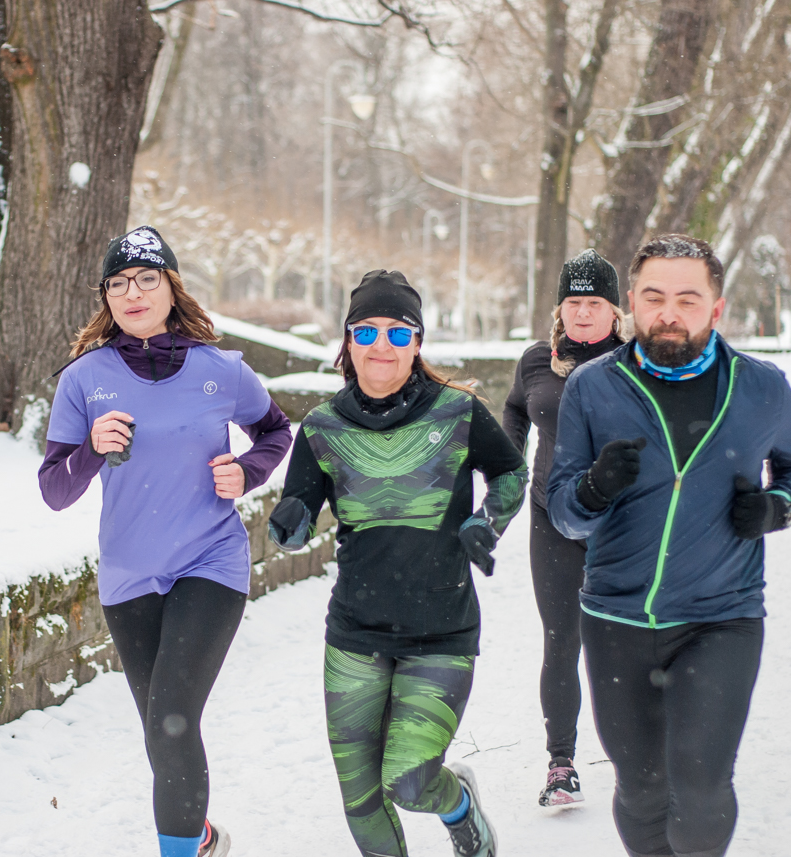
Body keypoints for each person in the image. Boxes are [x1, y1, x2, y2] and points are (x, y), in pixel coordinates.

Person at [38, 226, 292, 857]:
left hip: (211, 560)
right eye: (119, 283)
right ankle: (201, 836)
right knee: (160, 730)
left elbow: (276, 432)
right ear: (107, 297)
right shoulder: (83, 379)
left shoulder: (222, 370)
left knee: (174, 712)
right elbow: (54, 490)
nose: (133, 292)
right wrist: (92, 451)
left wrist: (248, 471)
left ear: (172, 289)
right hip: (130, 573)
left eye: (147, 279)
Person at [547, 234, 791, 857]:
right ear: (631, 302)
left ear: (717, 307)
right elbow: (565, 511)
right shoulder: (593, 388)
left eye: (688, 298)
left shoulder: (765, 388)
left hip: (723, 616)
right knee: (642, 787)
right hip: (614, 617)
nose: (669, 312)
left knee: (702, 786)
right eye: (654, 297)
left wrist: (774, 508)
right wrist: (596, 490)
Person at [269, 270, 527, 857]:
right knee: (361, 805)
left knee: (409, 782)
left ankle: (459, 803)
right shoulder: (322, 427)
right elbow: (300, 508)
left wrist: (487, 523)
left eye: (396, 331)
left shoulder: (458, 413)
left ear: (417, 342)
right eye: (366, 332)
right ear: (347, 343)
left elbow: (511, 472)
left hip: (441, 631)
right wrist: (290, 521)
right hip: (355, 632)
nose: (380, 345)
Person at [503, 249, 628, 807]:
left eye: (594, 303)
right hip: (551, 518)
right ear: (559, 308)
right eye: (573, 303)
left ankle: (643, 759)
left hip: (624, 526)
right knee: (562, 641)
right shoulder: (535, 361)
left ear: (614, 310)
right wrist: (505, 464)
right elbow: (513, 411)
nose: (582, 314)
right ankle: (561, 763)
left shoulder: (639, 363)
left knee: (628, 644)